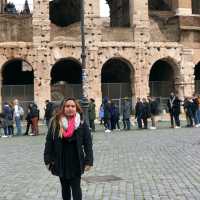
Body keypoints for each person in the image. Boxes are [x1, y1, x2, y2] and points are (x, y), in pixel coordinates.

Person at [44, 97, 93, 200]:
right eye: (67, 106)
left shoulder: (82, 123)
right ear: (63, 108)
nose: (70, 108)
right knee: (64, 188)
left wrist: (89, 161)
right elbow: (49, 142)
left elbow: (88, 143)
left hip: (76, 161)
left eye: (72, 106)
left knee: (76, 188)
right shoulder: (56, 123)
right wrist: (48, 160)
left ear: (76, 108)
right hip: (61, 160)